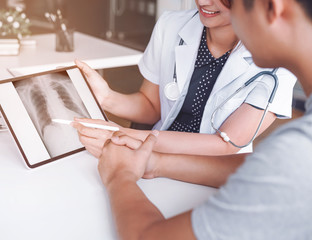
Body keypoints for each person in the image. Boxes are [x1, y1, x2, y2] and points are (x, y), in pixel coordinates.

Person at [96, 0, 312, 239]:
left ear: (272, 7)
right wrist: (154, 162)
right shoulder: (288, 155)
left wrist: (119, 176)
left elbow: (146, 236)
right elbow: (262, 165)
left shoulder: (297, 152)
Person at [73, 0, 296, 158]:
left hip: (210, 173)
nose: (204, 2)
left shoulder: (278, 59)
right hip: (149, 155)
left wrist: (122, 136)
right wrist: (107, 98)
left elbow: (224, 144)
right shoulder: (171, 25)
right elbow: (151, 107)